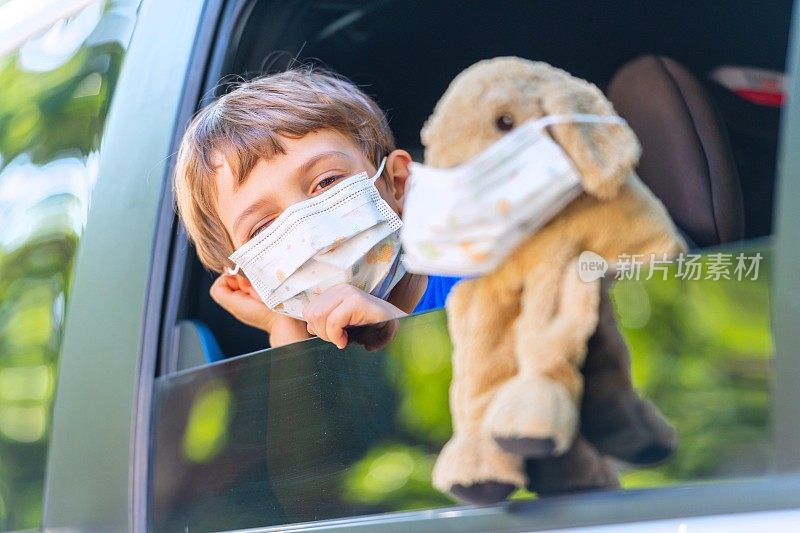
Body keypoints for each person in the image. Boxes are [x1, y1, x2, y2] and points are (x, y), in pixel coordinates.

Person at [173, 67, 459, 350]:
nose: (309, 233)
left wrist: (400, 340)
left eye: (326, 182)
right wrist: (284, 331)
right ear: (249, 283)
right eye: (264, 226)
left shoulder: (480, 284)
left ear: (398, 184)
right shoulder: (310, 353)